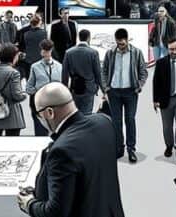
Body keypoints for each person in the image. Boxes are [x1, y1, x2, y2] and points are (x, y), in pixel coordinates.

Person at [17, 83, 125, 217]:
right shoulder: (104, 122)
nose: (40, 120)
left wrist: (29, 204)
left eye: (39, 114)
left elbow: (56, 212)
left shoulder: (61, 151)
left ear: (49, 112)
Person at [102, 29, 148, 162]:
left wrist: (139, 86)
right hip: (114, 92)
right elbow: (104, 70)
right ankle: (118, 148)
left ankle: (131, 149)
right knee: (116, 122)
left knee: (130, 120)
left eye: (122, 44)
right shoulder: (110, 53)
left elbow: (143, 71)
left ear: (127, 40)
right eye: (118, 44)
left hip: (130, 92)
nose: (120, 46)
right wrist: (106, 88)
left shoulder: (136, 52)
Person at [27, 39, 63, 137]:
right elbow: (28, 87)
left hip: (55, 105)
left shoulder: (60, 67)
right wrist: (39, 92)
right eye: (43, 50)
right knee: (40, 134)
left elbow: (63, 86)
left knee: (56, 134)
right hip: (39, 105)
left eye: (47, 51)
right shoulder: (35, 67)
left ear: (51, 51)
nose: (44, 53)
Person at [62, 29, 103, 114]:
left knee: (75, 114)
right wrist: (103, 89)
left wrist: (65, 89)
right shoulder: (93, 53)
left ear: (78, 38)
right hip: (89, 88)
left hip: (75, 88)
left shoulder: (69, 52)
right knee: (87, 114)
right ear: (89, 38)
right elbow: (98, 73)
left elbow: (64, 74)